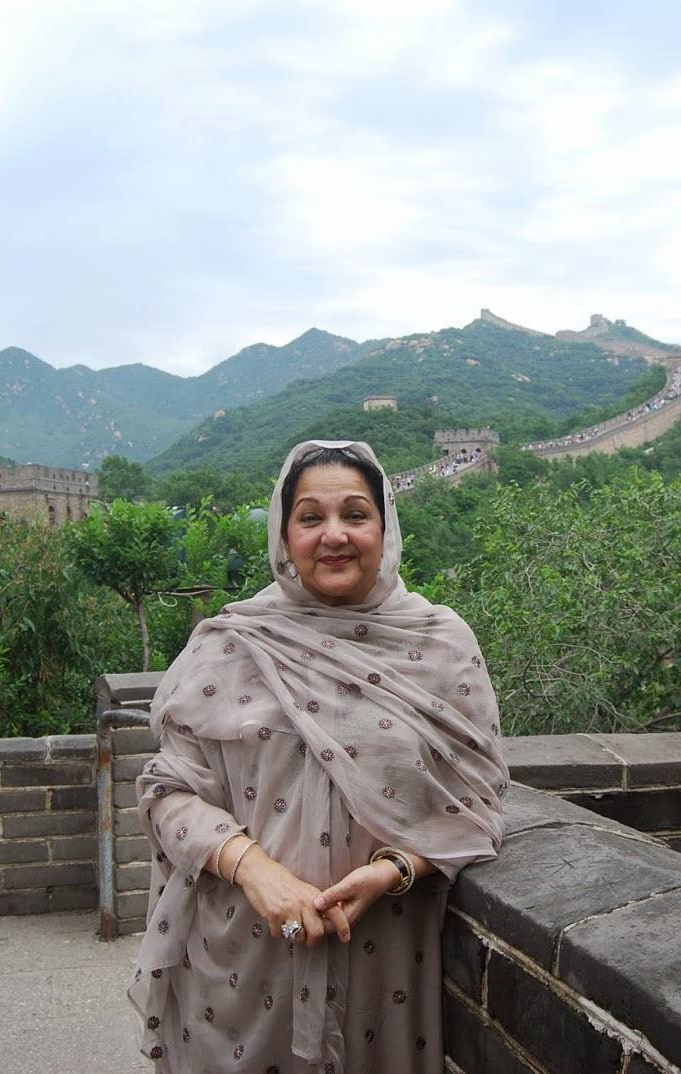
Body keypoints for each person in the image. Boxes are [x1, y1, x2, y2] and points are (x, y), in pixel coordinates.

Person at [129, 440, 509, 1073]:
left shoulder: (440, 645)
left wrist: (396, 870)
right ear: (285, 536)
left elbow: (481, 800)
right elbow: (167, 792)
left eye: (355, 514)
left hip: (383, 960)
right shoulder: (232, 645)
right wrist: (258, 873)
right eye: (311, 518)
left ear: (385, 529)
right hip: (240, 966)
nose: (334, 535)